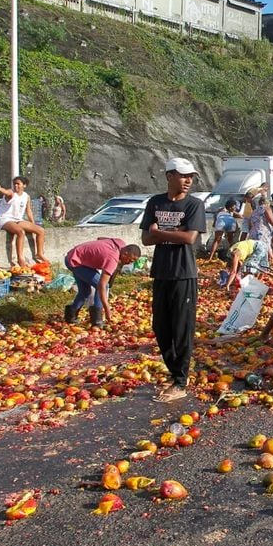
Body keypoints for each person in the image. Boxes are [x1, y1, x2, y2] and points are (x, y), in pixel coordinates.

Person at [140, 158, 206, 403]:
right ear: (169, 176)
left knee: (182, 328)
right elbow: (146, 239)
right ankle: (174, 373)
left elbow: (189, 238)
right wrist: (159, 235)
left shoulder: (194, 205)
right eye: (183, 175)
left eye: (191, 177)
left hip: (184, 273)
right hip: (161, 272)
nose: (188, 180)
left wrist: (159, 233)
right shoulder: (156, 202)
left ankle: (180, 381)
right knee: (161, 327)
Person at [63, 238, 141, 327]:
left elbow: (100, 238)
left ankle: (71, 317)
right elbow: (102, 285)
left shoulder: (120, 243)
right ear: (125, 254)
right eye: (130, 260)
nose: (129, 263)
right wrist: (107, 308)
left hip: (76, 256)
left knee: (85, 291)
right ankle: (97, 320)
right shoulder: (112, 259)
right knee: (103, 285)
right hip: (75, 262)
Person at [0, 176, 47, 266]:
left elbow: (28, 211)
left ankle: (39, 254)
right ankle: (20, 259)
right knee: (20, 232)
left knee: (40, 230)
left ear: (24, 185)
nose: (16, 186)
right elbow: (7, 192)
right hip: (4, 219)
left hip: (17, 220)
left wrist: (32, 224)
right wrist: (0, 189)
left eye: (18, 184)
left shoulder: (26, 196)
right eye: (14, 184)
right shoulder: (11, 193)